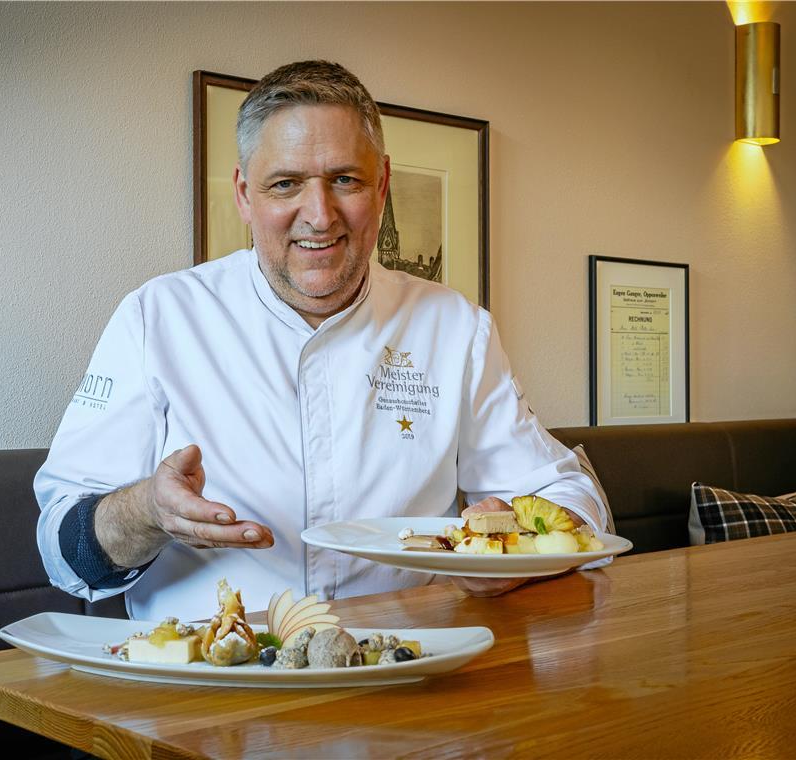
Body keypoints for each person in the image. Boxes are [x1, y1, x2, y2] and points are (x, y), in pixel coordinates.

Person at [35, 60, 609, 623]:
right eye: (285, 184)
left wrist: (521, 547)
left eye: (345, 180)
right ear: (243, 194)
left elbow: (571, 494)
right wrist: (149, 511)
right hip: (214, 688)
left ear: (381, 185)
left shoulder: (454, 326)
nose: (319, 214)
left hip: (410, 676)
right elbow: (62, 553)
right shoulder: (157, 318)